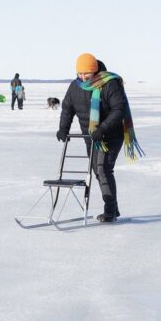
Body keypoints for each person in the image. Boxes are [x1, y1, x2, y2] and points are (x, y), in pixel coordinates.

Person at [56, 52, 136, 222]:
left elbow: (118, 109)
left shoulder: (109, 84)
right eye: (80, 73)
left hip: (111, 135)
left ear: (95, 70)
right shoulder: (74, 87)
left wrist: (102, 129)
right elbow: (67, 108)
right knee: (98, 171)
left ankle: (109, 212)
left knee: (103, 169)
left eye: (87, 73)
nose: (83, 77)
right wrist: (63, 128)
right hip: (90, 137)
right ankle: (113, 208)